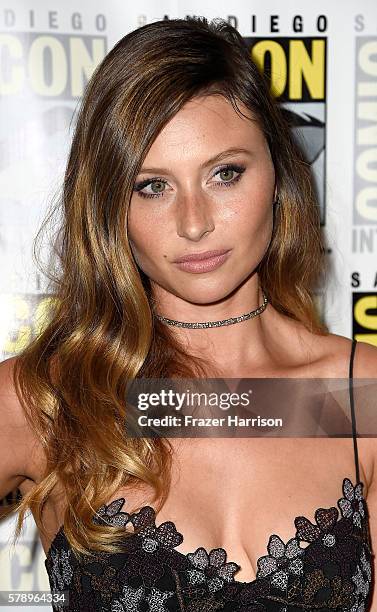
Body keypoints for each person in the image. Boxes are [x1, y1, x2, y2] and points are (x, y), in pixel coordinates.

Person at [0, 15, 377, 612]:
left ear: (279, 175)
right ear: (106, 205)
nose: (194, 222)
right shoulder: (45, 398)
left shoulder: (358, 394)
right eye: (152, 186)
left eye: (225, 174)